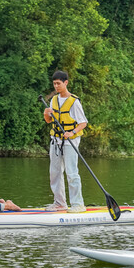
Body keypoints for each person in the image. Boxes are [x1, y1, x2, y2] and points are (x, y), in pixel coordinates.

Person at [43, 70, 87, 212]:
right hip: (55, 140)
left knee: (71, 172)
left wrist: (72, 132)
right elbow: (49, 121)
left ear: (66, 83)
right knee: (54, 172)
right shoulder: (53, 100)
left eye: (58, 83)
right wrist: (46, 114)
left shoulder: (74, 101)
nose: (56, 86)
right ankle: (60, 203)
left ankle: (78, 204)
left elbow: (83, 123)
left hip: (70, 141)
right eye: (54, 84)